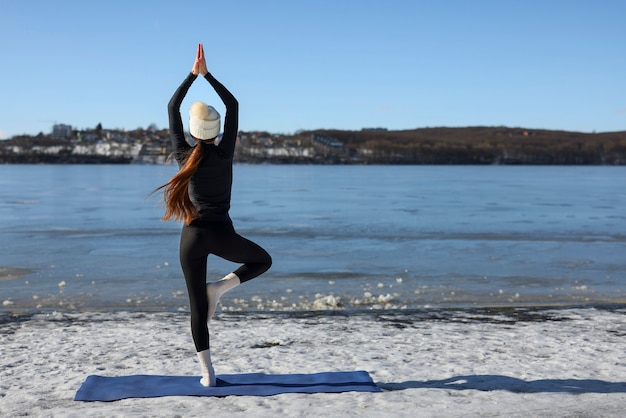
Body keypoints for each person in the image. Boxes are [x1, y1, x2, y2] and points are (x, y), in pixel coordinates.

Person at [155, 43, 272, 387]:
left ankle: (207, 374)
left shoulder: (182, 154)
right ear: (215, 130)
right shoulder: (225, 153)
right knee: (262, 261)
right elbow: (233, 105)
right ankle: (219, 289)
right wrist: (208, 75)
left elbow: (172, 106)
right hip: (222, 234)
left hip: (191, 237)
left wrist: (192, 75)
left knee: (195, 307)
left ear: (192, 131)